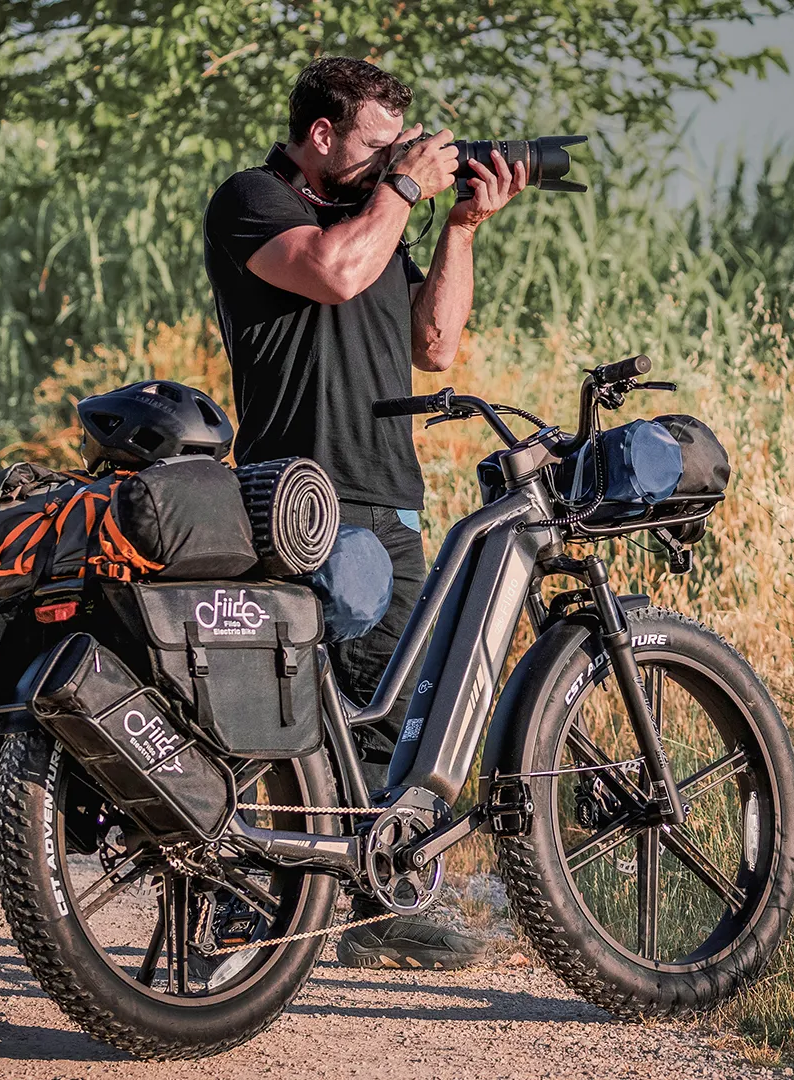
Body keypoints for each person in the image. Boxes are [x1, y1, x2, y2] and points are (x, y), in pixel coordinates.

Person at [202, 56, 527, 970]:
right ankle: (248, 895)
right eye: (379, 143)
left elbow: (435, 344)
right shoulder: (254, 200)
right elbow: (334, 274)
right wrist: (403, 187)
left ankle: (370, 908)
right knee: (286, 712)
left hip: (391, 501)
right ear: (321, 134)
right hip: (300, 499)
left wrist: (459, 226)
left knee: (389, 712)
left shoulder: (376, 216)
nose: (398, 159)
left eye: (400, 147)